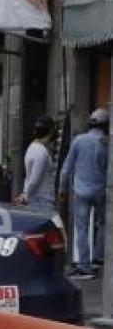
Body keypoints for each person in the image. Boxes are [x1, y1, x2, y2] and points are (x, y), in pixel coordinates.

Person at [59, 108, 109, 280]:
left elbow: (66, 168)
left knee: (81, 228)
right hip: (102, 191)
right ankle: (98, 257)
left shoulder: (79, 141)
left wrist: (62, 189)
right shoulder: (107, 144)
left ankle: (84, 265)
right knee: (104, 223)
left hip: (81, 192)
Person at [17, 115, 57, 214]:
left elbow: (29, 177)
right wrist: (26, 196)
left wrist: (25, 193)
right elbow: (35, 179)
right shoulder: (41, 152)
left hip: (35, 199)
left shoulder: (31, 148)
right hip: (42, 200)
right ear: (51, 131)